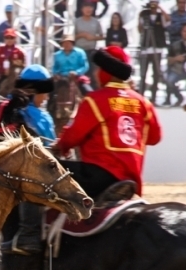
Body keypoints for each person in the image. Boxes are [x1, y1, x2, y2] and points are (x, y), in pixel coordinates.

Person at [51, 46, 162, 199]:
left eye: (99, 69)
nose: (96, 74)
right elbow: (155, 138)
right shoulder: (143, 103)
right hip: (133, 179)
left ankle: (30, 224)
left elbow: (74, 135)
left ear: (106, 72)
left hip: (98, 177)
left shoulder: (95, 99)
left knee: (41, 171)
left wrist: (60, 146)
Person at [1, 64, 56, 255]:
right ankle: (29, 234)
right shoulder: (29, 114)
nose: (47, 97)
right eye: (44, 92)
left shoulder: (6, 108)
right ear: (33, 91)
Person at [0, 28, 25, 93]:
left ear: (15, 38)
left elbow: (23, 67)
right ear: (4, 38)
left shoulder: (20, 52)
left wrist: (14, 71)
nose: (9, 40)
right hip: (1, 76)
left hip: (15, 78)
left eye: (11, 37)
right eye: (7, 37)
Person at [164, 23, 186, 107]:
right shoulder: (175, 45)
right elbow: (168, 60)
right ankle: (179, 97)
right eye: (184, 31)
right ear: (181, 32)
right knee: (169, 80)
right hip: (178, 70)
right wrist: (176, 58)